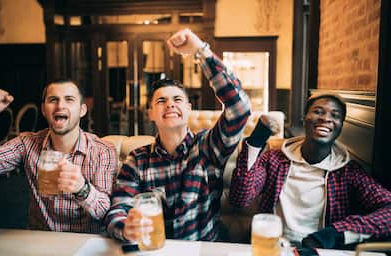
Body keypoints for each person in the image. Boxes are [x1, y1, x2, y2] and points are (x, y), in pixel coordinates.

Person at [105, 28, 251, 242]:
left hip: (202, 250)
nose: (170, 104)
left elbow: (239, 109)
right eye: (161, 101)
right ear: (151, 114)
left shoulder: (208, 147)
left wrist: (200, 51)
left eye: (177, 99)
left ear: (189, 109)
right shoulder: (137, 160)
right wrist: (126, 227)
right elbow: (118, 209)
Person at [230, 94, 391, 250]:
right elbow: (240, 198)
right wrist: (257, 139)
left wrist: (336, 234)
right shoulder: (274, 159)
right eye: (318, 112)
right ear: (305, 118)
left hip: (318, 251)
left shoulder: (348, 172)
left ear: (340, 126)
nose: (325, 118)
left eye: (334, 115)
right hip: (270, 248)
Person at [0, 79, 118, 234]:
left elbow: (106, 212)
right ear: (44, 109)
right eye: (53, 100)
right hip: (41, 242)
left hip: (86, 243)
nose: (60, 106)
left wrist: (82, 188)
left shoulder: (102, 151)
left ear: (82, 110)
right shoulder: (27, 143)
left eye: (69, 99)